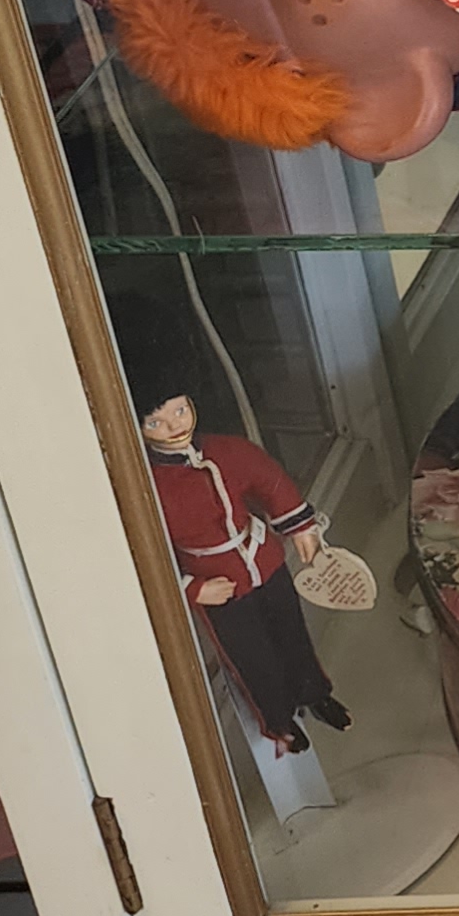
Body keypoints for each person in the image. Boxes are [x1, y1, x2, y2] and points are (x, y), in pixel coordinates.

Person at [115, 306, 345, 757]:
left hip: (266, 560)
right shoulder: (147, 488)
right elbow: (143, 553)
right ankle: (278, 722)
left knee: (292, 635)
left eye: (180, 410)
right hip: (218, 583)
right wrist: (191, 588)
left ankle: (315, 693)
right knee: (252, 659)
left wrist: (300, 526)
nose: (176, 425)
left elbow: (268, 480)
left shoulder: (226, 450)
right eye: (156, 422)